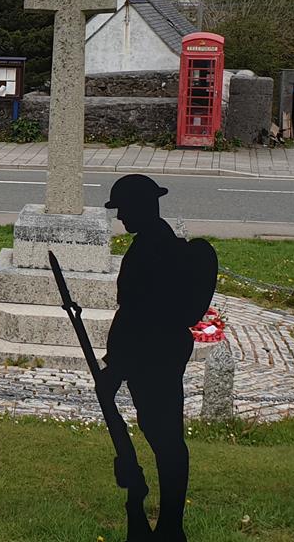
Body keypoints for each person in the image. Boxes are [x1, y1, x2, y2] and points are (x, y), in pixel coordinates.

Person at [102, 174, 217, 541]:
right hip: (153, 353)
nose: (119, 216)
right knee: (161, 435)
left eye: (123, 208)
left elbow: (138, 315)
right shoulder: (156, 243)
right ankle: (169, 523)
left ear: (141, 207)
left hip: (150, 356)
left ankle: (170, 525)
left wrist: (115, 367)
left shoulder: (154, 250)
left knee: (165, 439)